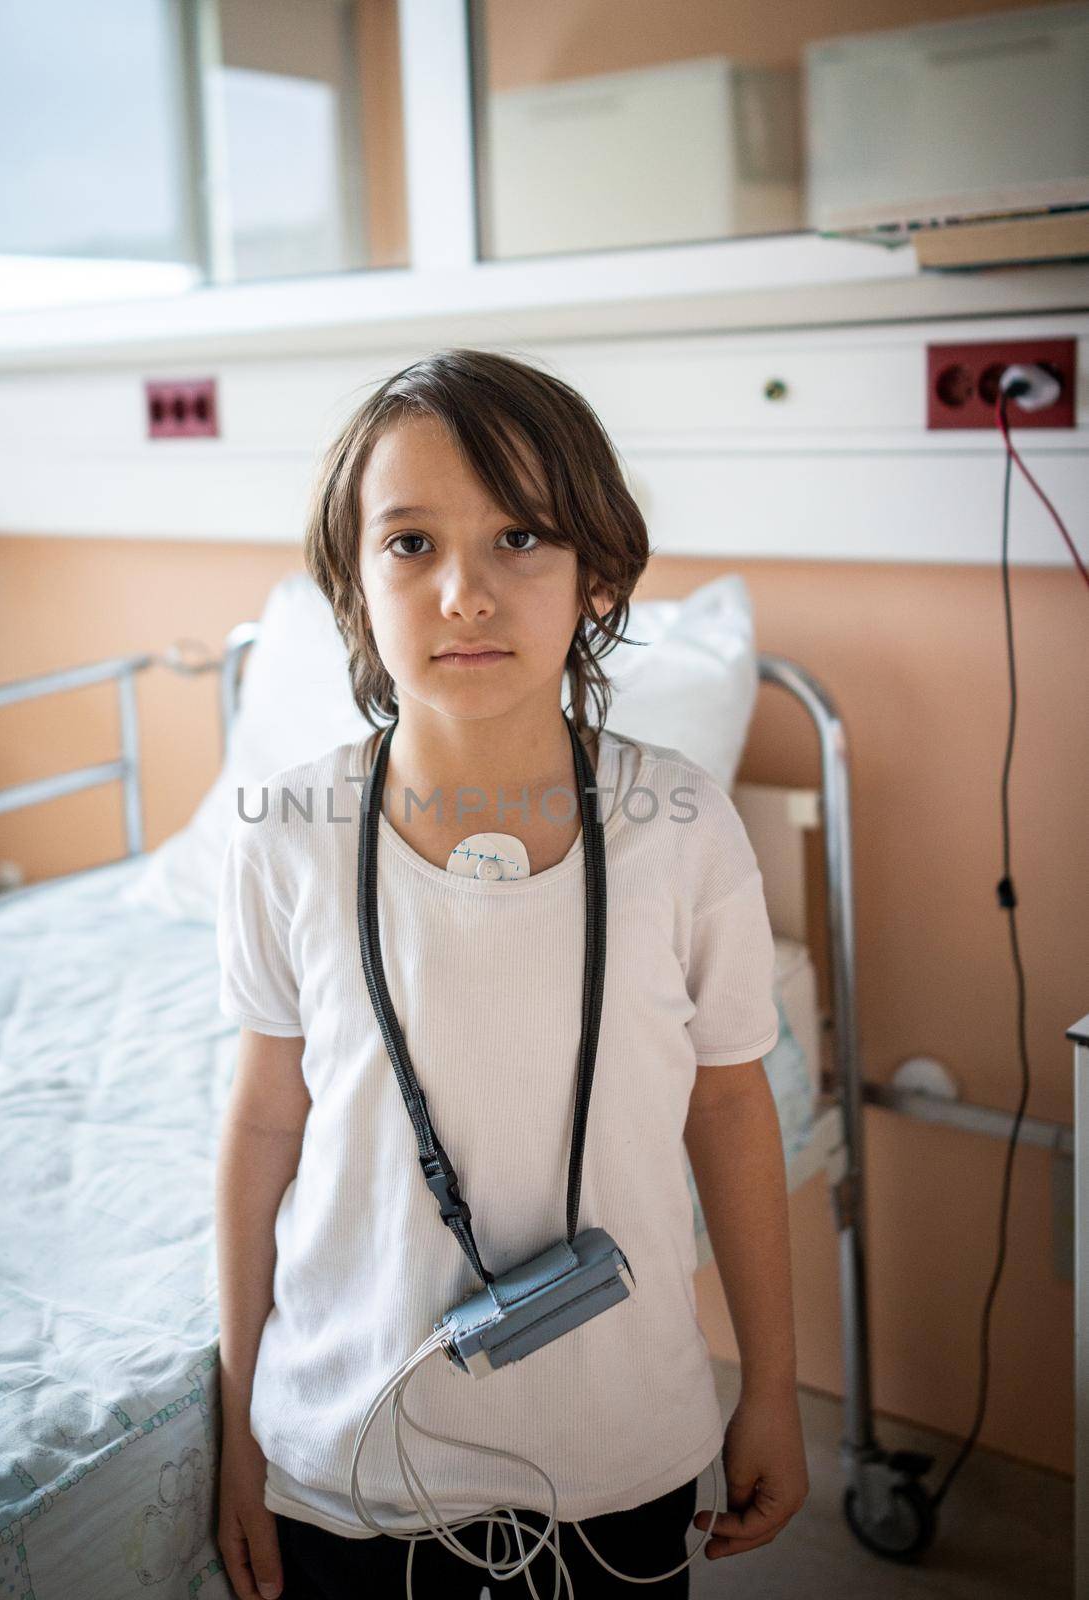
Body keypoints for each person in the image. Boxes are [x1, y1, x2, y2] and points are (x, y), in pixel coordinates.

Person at [213, 348, 809, 1600]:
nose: (466, 593)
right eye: (412, 544)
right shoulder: (288, 834)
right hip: (347, 1461)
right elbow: (266, 1120)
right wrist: (235, 1430)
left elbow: (729, 1105)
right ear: (352, 586)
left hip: (617, 1461)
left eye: (522, 536)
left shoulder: (681, 828)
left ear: (597, 575)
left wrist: (770, 1385)